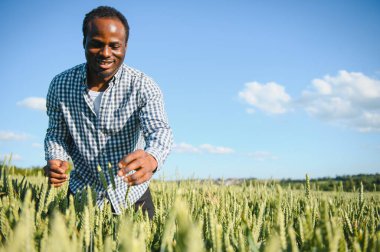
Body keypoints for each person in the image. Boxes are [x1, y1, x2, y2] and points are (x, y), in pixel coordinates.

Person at [43, 6, 173, 219]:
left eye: (114, 46)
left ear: (125, 47)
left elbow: (160, 130)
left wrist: (152, 158)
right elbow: (56, 133)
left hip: (131, 195)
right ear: (83, 42)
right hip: (81, 193)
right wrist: (56, 159)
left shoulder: (143, 86)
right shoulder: (60, 84)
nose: (105, 53)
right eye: (96, 44)